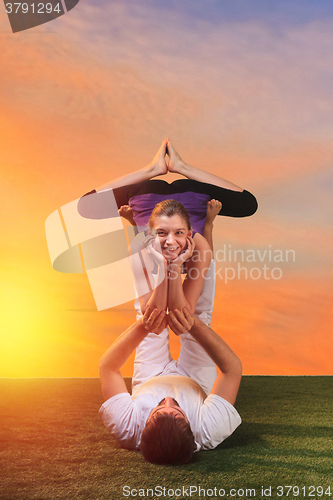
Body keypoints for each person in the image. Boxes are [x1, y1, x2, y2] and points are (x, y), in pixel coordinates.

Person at [99, 306, 242, 465]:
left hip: (150, 379)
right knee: (197, 313)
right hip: (196, 382)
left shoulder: (127, 429)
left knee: (151, 312)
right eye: (177, 411)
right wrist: (193, 324)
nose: (168, 399)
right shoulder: (209, 429)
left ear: (143, 427)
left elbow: (108, 368)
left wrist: (143, 325)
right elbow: (232, 369)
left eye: (157, 411)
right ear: (191, 427)